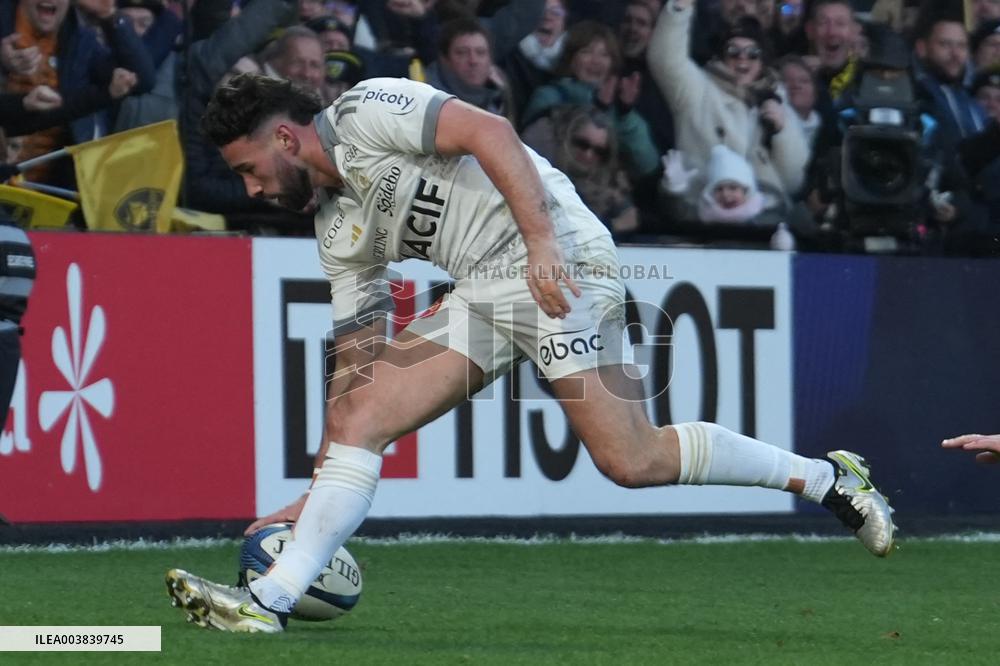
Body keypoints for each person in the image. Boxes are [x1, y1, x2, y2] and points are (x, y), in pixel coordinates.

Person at [164, 73, 897, 633]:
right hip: (483, 290)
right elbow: (357, 358)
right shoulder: (336, 229)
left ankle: (824, 477)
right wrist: (321, 487)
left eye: (250, 168)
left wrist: (544, 244)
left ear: (287, 139)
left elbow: (490, 133)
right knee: (360, 417)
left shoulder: (365, 110)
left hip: (559, 257)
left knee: (629, 460)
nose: (252, 187)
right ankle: (271, 598)